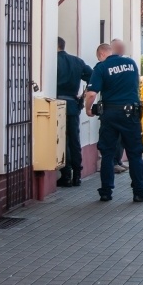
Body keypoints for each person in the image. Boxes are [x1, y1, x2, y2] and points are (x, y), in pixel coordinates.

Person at [85, 43, 143, 202]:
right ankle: (140, 192)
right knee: (134, 153)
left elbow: (91, 94)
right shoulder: (131, 63)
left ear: (101, 55)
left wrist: (88, 109)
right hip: (131, 114)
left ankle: (106, 192)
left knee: (107, 154)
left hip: (109, 114)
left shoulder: (101, 67)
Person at [56, 37, 93, 188]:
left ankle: (66, 175)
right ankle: (77, 175)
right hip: (72, 104)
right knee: (74, 140)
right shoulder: (77, 61)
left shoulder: (52, 61)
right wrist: (83, 94)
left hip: (56, 105)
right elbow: (92, 76)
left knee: (61, 141)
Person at [110, 38, 129, 175]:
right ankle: (114, 162)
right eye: (120, 48)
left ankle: (118, 161)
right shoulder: (105, 66)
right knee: (114, 139)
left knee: (121, 139)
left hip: (126, 109)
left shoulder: (129, 64)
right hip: (112, 109)